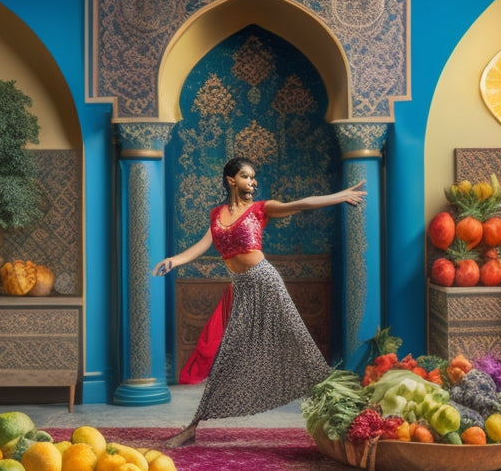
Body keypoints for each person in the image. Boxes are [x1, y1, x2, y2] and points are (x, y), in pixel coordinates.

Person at [152, 157, 366, 447]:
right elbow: (204, 245)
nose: (252, 182)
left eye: (254, 178)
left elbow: (301, 204)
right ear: (230, 180)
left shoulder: (261, 209)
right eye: (246, 176)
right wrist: (173, 261)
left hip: (266, 282)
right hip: (242, 290)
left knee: (303, 349)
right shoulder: (217, 215)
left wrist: (340, 197)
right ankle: (192, 429)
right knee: (227, 358)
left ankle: (351, 416)